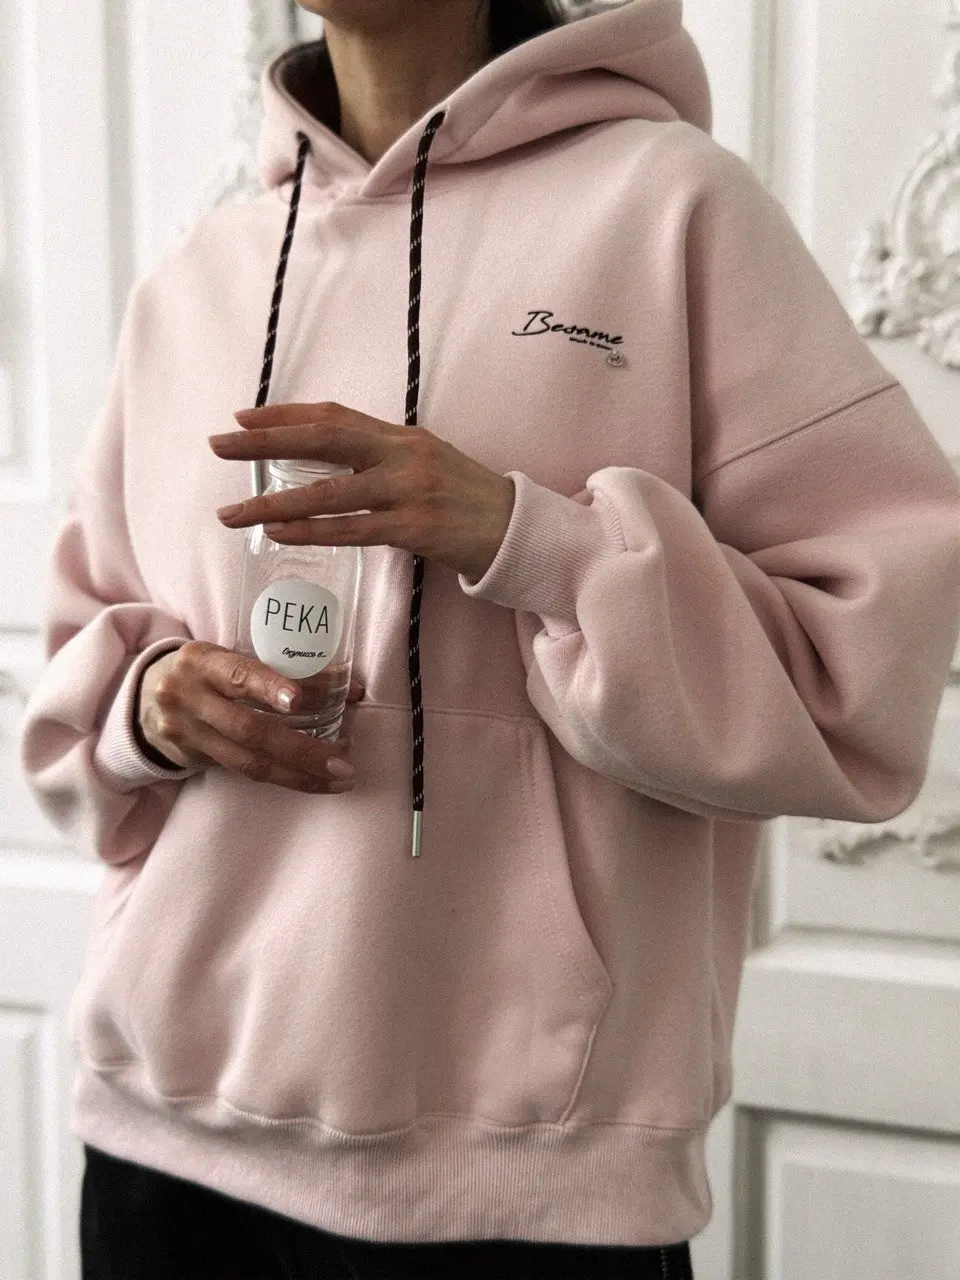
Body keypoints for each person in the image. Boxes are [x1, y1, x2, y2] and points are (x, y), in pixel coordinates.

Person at [18, 0, 960, 1276]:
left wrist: (529, 539)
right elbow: (77, 671)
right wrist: (150, 702)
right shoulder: (199, 274)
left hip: (529, 1179)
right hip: (163, 1142)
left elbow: (860, 665)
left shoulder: (673, 208)